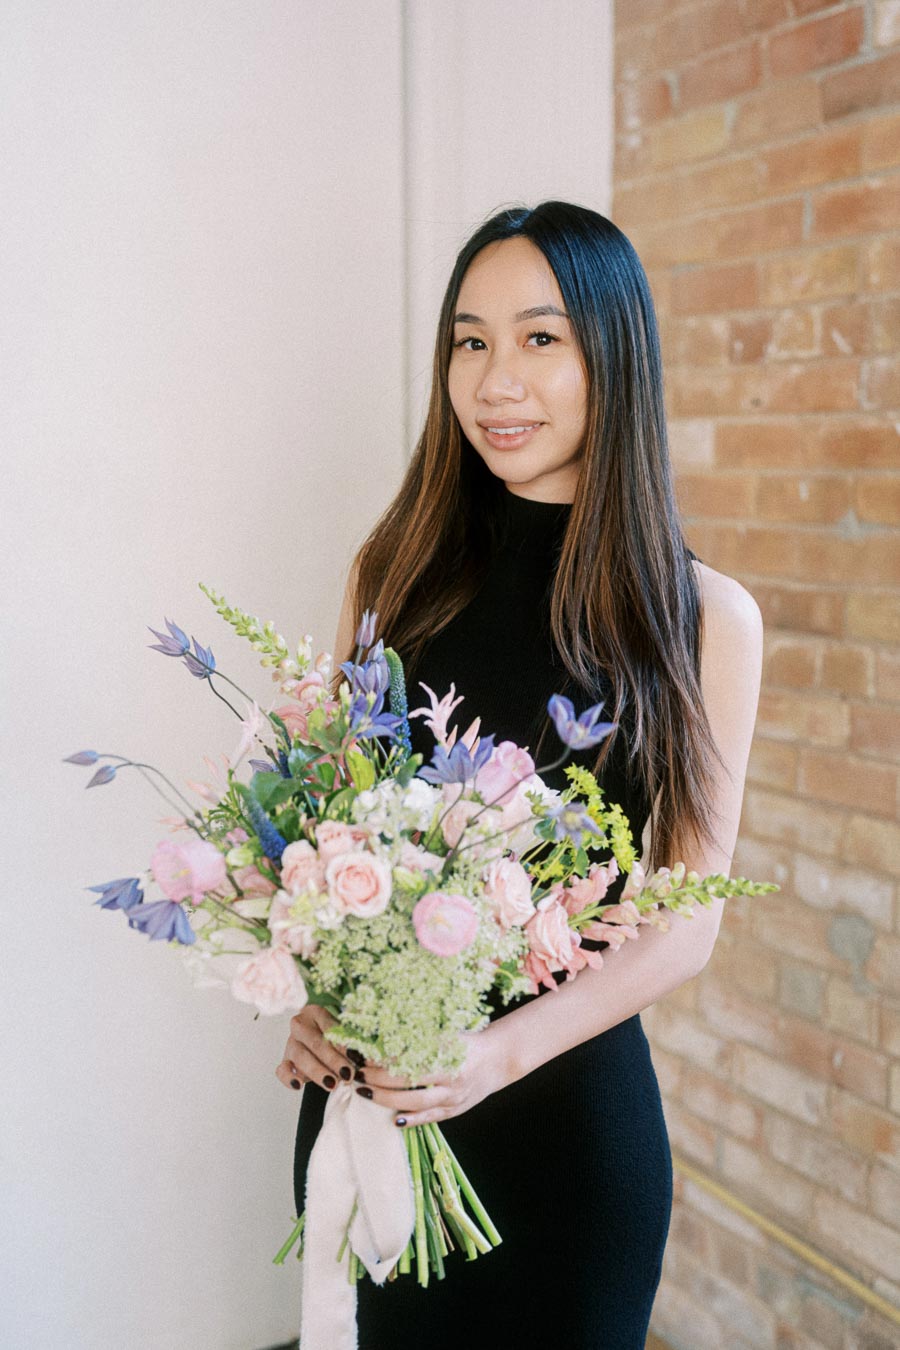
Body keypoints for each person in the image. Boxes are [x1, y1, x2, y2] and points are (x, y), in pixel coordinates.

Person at [276, 200, 763, 1348]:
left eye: (541, 340)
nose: (497, 381)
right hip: (374, 1105)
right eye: (470, 340)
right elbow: (318, 843)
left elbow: (683, 924)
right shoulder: (390, 575)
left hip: (563, 1140)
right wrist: (308, 995)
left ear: (614, 356)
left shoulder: (703, 618)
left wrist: (493, 1056)